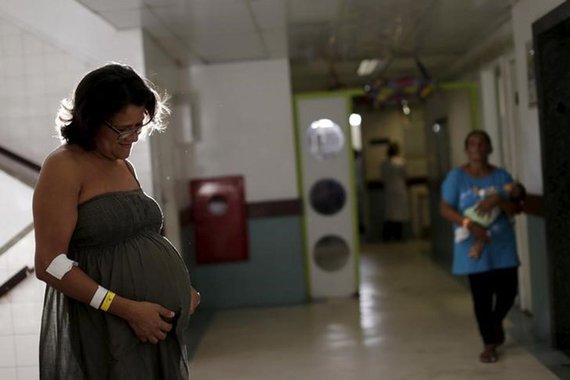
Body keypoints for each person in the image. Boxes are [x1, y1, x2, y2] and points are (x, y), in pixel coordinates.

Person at [33, 63, 201, 379]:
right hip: (112, 325)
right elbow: (50, 263)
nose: (134, 137)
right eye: (125, 129)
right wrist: (127, 309)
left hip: (154, 325)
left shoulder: (122, 165)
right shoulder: (63, 167)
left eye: (140, 126)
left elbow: (139, 239)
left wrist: (180, 288)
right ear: (91, 119)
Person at [440, 130, 522, 363]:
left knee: (508, 292)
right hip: (472, 247)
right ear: (467, 149)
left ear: (490, 148)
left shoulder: (501, 177)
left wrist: (498, 199)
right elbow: (445, 208)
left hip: (502, 244)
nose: (477, 148)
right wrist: (468, 223)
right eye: (472, 144)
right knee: (482, 298)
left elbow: (514, 209)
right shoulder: (457, 177)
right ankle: (489, 344)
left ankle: (495, 323)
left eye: (482, 143)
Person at [455, 181, 526, 259]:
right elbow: (511, 216)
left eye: (510, 184)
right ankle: (475, 251)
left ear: (510, 188)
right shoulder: (506, 202)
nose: (507, 183)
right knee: (482, 236)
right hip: (486, 221)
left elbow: (484, 192)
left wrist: (477, 190)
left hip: (477, 213)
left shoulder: (498, 192)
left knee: (468, 221)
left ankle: (464, 235)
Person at [381, 142, 409, 241]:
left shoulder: (384, 162)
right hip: (399, 189)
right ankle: (398, 236)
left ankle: (387, 236)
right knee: (399, 214)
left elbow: (383, 176)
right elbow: (405, 175)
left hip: (389, 189)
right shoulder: (400, 162)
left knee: (390, 214)